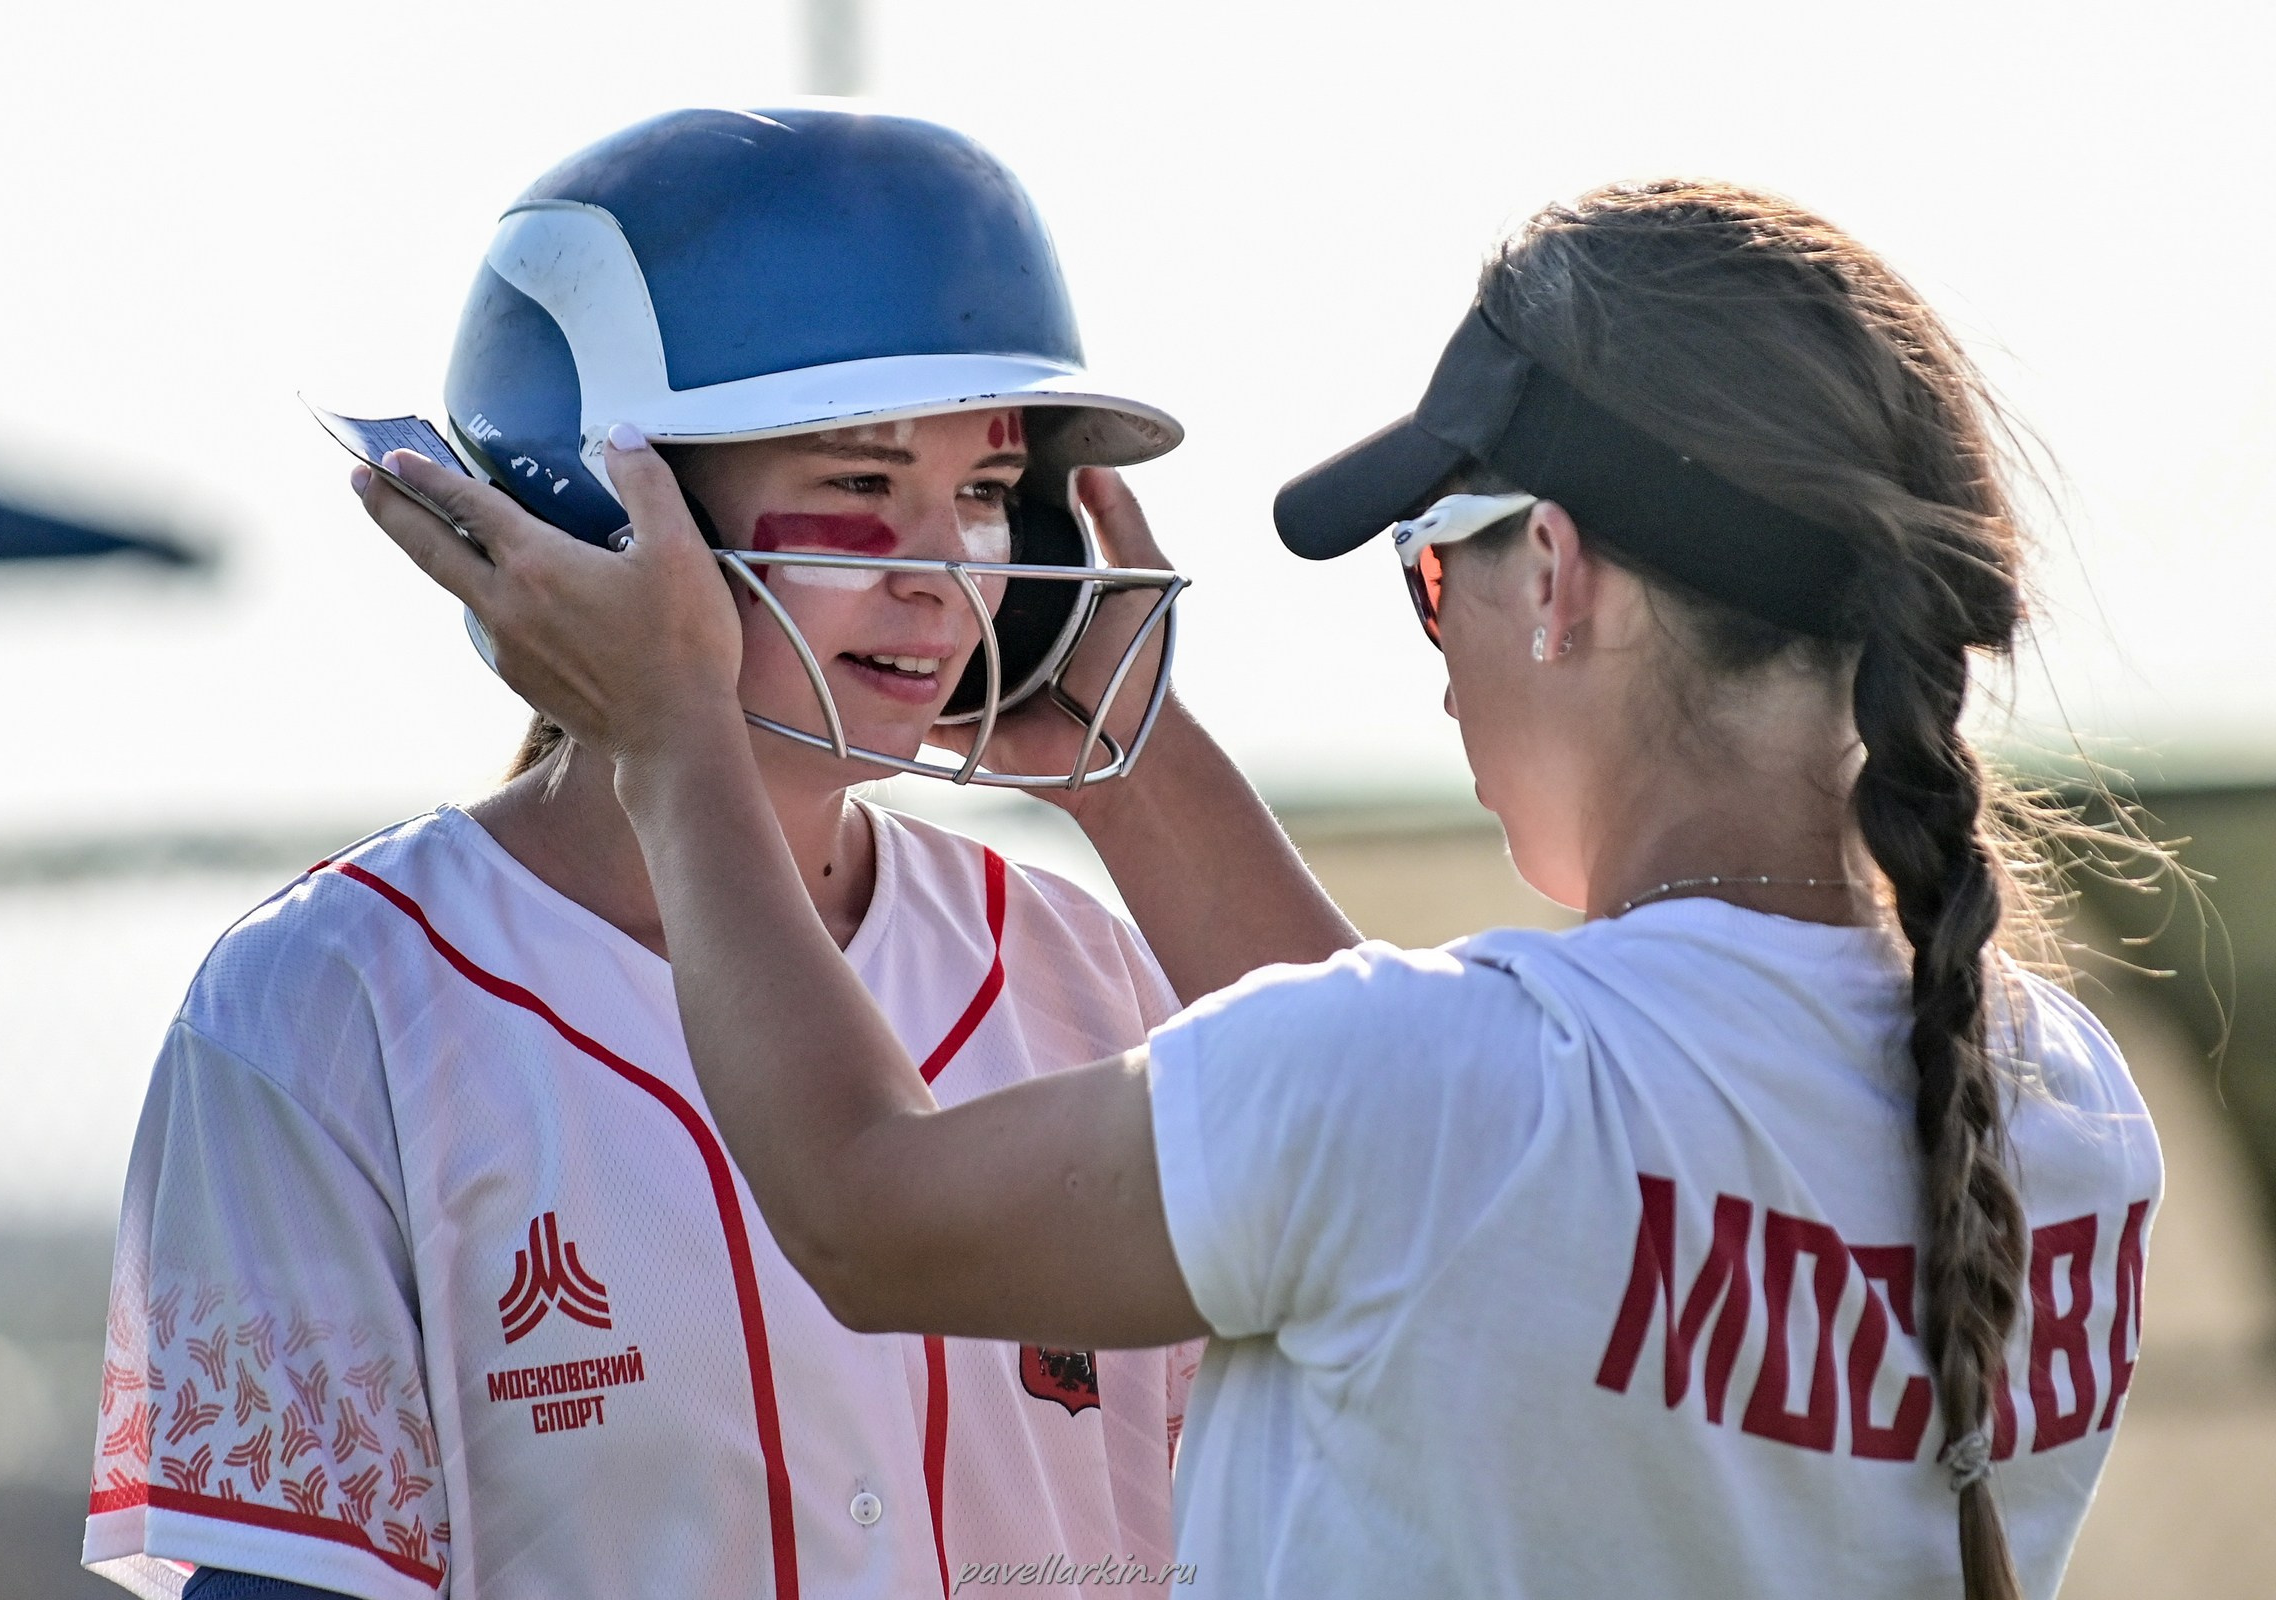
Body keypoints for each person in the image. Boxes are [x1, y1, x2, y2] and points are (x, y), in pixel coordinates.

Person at [367, 178, 2166, 1600]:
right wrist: (1135, 764)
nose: (1444, 650)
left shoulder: (1443, 1103)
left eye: (1429, 574)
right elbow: (1430, 1183)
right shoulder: (2063, 1113)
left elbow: (864, 1209)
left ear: (1554, 575)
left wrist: (673, 737)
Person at [83, 108, 1352, 1600]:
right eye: (866, 487)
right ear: (597, 511)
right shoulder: (327, 998)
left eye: (991, 496)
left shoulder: (1084, 969)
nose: (949, 576)